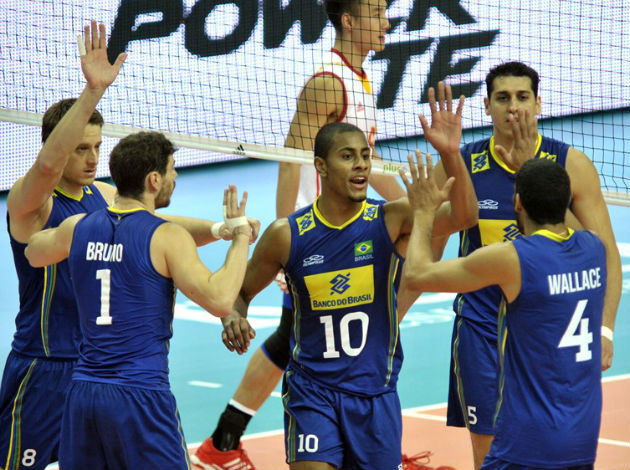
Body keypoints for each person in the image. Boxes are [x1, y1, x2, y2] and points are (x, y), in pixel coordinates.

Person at [192, 0, 476, 467]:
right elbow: (292, 157)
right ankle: (228, 442)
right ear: (348, 20)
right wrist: (288, 241)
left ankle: (230, 442)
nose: (386, 21)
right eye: (376, 12)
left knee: (307, 334)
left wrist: (419, 201)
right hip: (317, 238)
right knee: (307, 336)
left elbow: (370, 163)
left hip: (351, 228)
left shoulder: (358, 78)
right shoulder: (328, 82)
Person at [0, 22, 250, 470]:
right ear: (59, 146)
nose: (93, 158)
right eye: (80, 148)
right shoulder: (32, 203)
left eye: (97, 147)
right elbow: (47, 167)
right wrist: (93, 91)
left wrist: (219, 229)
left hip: (91, 367)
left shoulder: (99, 198)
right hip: (44, 365)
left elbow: (154, 226)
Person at [218, 121, 474, 470]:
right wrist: (233, 315)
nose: (361, 165)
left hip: (375, 395)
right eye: (348, 156)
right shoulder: (287, 235)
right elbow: (238, 293)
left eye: (365, 156)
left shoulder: (390, 219)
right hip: (312, 393)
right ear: (321, 166)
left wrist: (451, 153)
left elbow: (465, 217)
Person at [23, 131, 257, 469]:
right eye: (172, 170)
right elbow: (220, 299)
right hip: (140, 396)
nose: (175, 177)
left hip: (84, 395)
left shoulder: (77, 227)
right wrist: (240, 237)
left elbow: (32, 253)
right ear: (153, 180)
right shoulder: (167, 237)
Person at [441, 61, 621, 469]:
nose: (513, 108)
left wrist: (605, 329)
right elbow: (428, 245)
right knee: (489, 455)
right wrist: (391, 319)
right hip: (482, 330)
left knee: (554, 449)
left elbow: (603, 251)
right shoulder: (463, 163)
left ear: (538, 104)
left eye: (523, 97)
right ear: (486, 106)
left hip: (547, 335)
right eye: (502, 98)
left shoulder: (570, 164)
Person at [401, 156, 606, 470]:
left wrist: (424, 213)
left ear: (518, 203)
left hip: (528, 440)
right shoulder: (594, 248)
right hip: (583, 437)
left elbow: (417, 274)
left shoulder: (513, 259)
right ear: (565, 200)